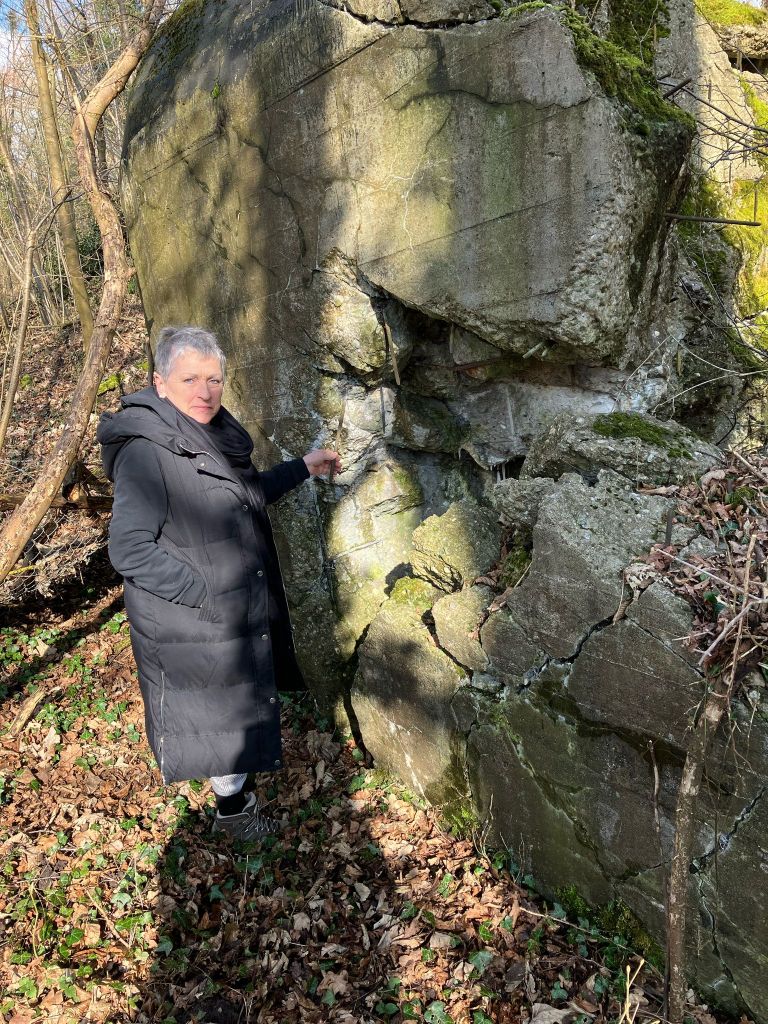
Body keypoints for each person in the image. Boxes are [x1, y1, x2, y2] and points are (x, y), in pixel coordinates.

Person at [97, 325, 340, 840]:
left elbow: (240, 496)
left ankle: (235, 806)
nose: (205, 392)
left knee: (234, 715)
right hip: (197, 618)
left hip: (227, 611)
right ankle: (234, 815)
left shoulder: (203, 435)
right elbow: (128, 548)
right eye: (190, 379)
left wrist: (301, 468)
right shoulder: (147, 451)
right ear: (160, 383)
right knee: (223, 720)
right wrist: (201, 592)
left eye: (214, 379)